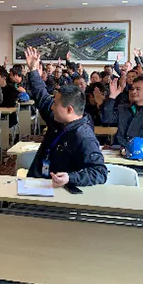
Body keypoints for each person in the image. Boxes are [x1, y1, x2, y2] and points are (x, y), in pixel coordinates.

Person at [21, 47, 106, 185]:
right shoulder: (58, 119)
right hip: (41, 182)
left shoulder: (84, 137)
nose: (52, 107)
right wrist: (33, 70)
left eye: (55, 104)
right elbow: (42, 96)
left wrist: (70, 178)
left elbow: (99, 172)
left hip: (62, 190)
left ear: (69, 109)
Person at [101, 75, 143, 149]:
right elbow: (107, 119)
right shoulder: (123, 109)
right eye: (132, 89)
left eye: (138, 89)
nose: (133, 92)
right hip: (118, 151)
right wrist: (112, 97)